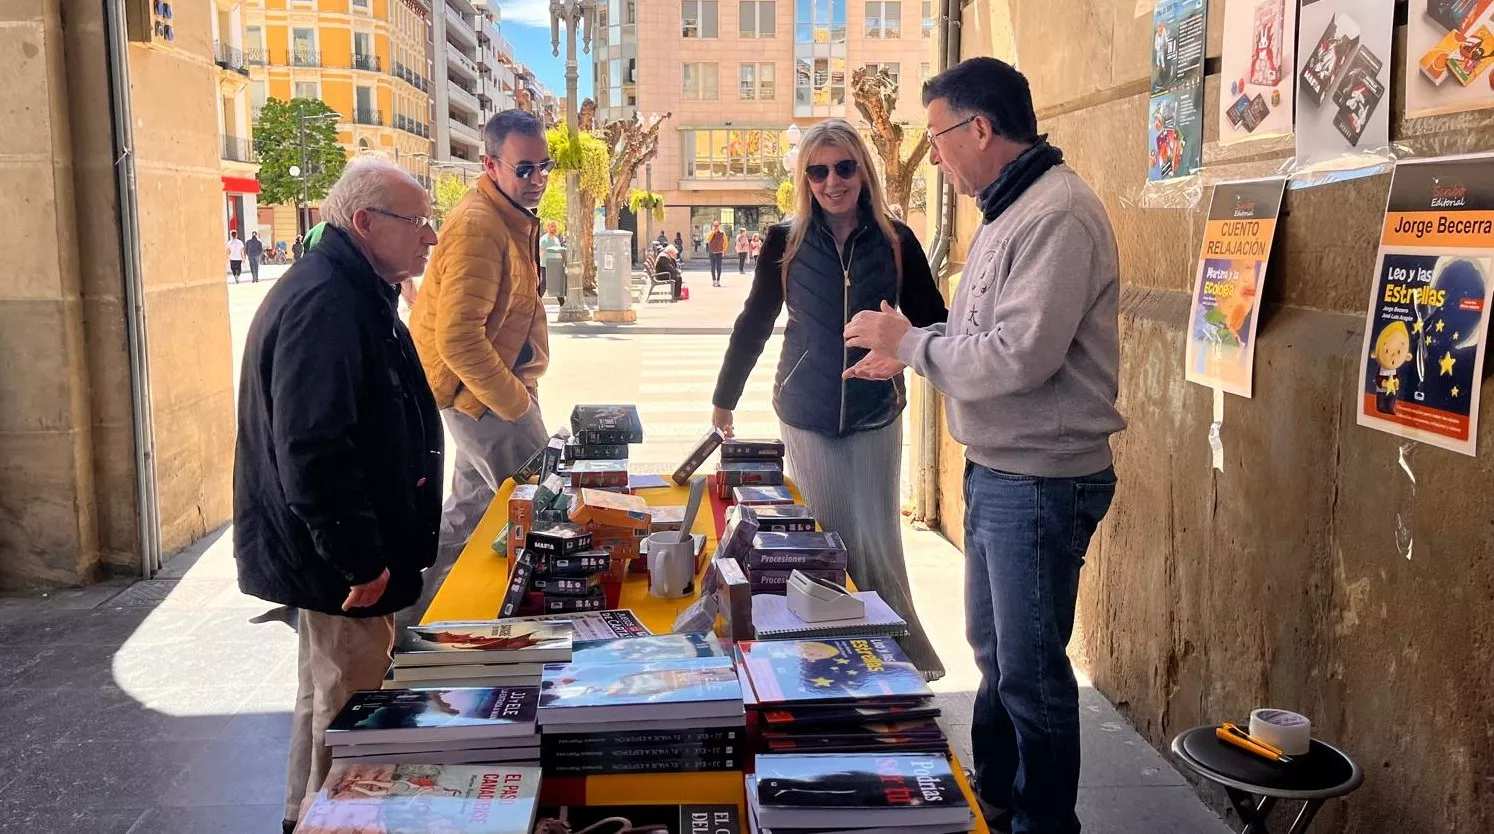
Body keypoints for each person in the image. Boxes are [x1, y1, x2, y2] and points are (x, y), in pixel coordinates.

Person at [843, 57, 1125, 834]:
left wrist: (912, 343)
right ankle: (995, 795)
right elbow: (979, 335)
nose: (933, 155)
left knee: (1032, 676)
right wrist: (913, 346)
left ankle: (1042, 822)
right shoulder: (1010, 208)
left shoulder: (1056, 214)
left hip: (1039, 478)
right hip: (1001, 470)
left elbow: (1019, 356)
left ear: (980, 129)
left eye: (937, 137)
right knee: (997, 659)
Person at [232, 156, 443, 834]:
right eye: (417, 223)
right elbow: (314, 447)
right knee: (350, 708)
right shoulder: (327, 303)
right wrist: (360, 559)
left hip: (346, 553)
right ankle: (335, 822)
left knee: (326, 690)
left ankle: (303, 814)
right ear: (365, 223)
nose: (430, 238)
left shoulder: (349, 287)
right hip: (344, 561)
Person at [712, 118, 948, 681]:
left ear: (863, 171)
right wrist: (725, 398)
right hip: (806, 413)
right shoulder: (784, 242)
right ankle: (827, 661)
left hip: (874, 415)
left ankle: (895, 658)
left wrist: (905, 349)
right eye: (817, 171)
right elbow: (755, 322)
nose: (832, 182)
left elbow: (937, 320)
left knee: (873, 542)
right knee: (819, 541)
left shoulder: (896, 241)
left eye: (844, 168)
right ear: (805, 178)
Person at [409, 109, 553, 572]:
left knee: (464, 520)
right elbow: (458, 339)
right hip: (484, 398)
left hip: (480, 394)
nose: (537, 179)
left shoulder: (506, 216)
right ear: (491, 166)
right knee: (548, 511)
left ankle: (407, 625)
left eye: (544, 166)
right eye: (524, 168)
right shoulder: (480, 225)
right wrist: (516, 403)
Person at [540, 221, 566, 304]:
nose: (554, 228)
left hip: (556, 265)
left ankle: (562, 303)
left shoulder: (556, 239)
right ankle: (537, 301)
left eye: (555, 226)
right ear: (548, 228)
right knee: (544, 284)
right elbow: (541, 251)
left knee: (558, 285)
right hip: (546, 265)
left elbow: (559, 252)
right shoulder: (544, 239)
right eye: (552, 226)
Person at [706, 220, 727, 286]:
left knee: (719, 267)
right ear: (712, 226)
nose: (716, 227)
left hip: (719, 253)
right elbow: (708, 240)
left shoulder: (722, 233)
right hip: (712, 252)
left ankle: (718, 280)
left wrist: (723, 250)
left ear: (719, 226)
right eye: (714, 226)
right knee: (712, 267)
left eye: (717, 226)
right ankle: (714, 280)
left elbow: (726, 243)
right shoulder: (710, 233)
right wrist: (713, 232)